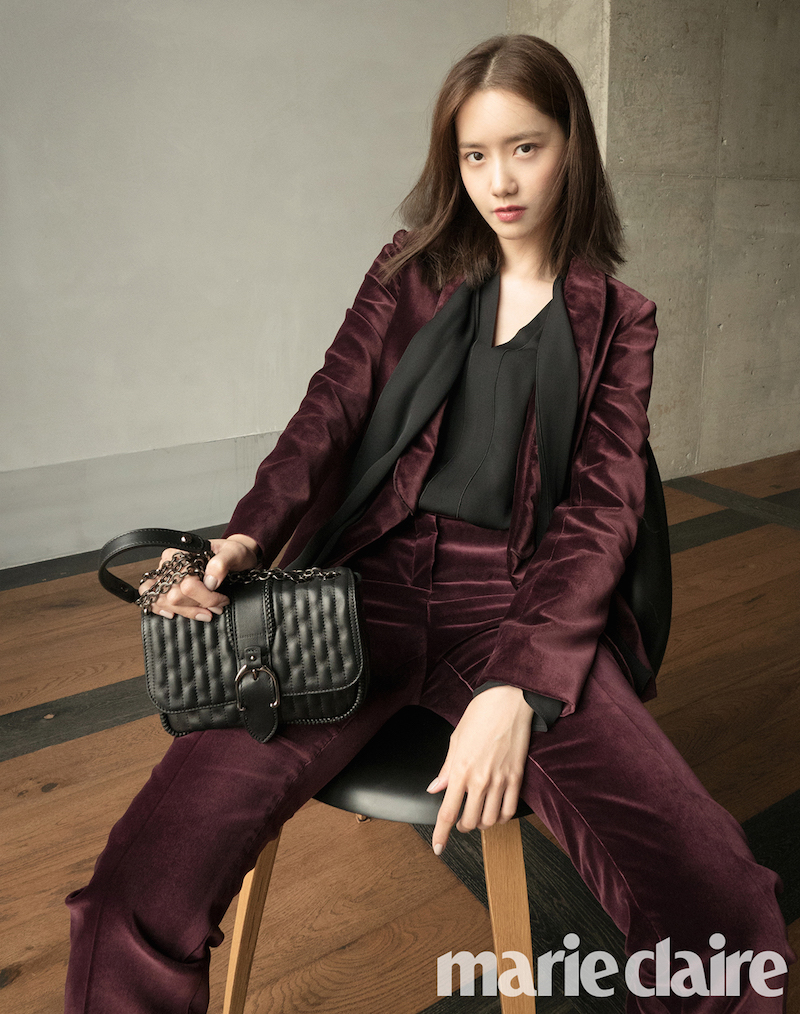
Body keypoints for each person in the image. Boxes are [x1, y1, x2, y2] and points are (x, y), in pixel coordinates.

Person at [65, 34, 792, 1013]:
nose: (500, 181)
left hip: (527, 608)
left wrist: (519, 686)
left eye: (525, 148)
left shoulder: (620, 320)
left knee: (727, 921)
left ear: (571, 146)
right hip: (356, 596)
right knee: (132, 896)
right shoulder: (404, 273)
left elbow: (600, 510)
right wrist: (241, 538)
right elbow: (326, 416)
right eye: (474, 154)